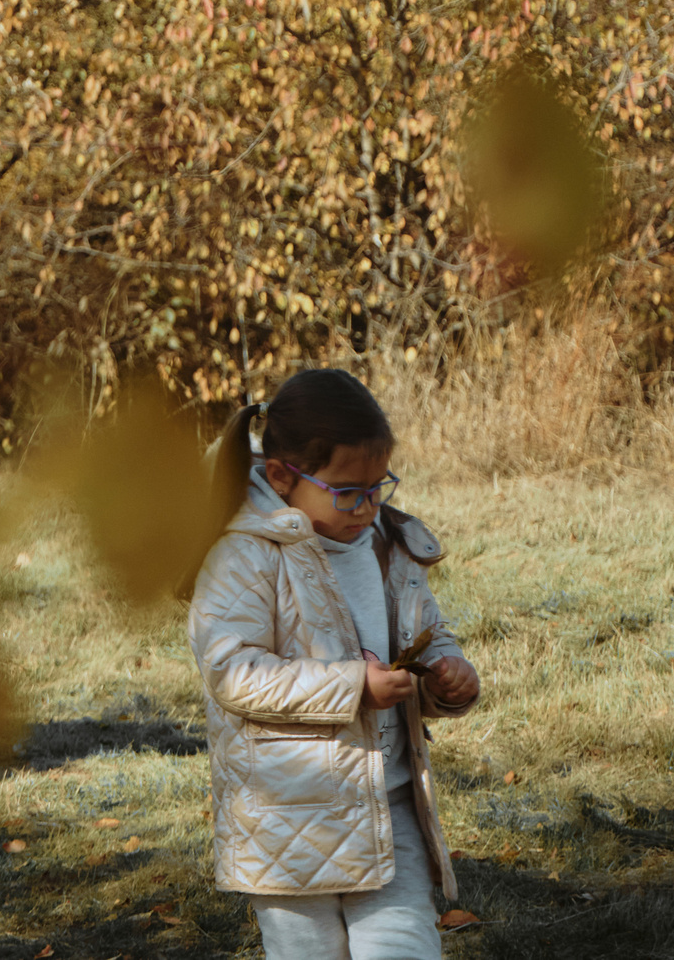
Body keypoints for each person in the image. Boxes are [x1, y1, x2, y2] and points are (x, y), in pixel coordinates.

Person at [186, 368, 484, 960]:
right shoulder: (244, 554)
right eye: (349, 491)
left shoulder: (391, 542)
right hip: (289, 821)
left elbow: (427, 632)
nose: (367, 505)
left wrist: (447, 673)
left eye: (380, 486)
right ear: (281, 476)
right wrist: (352, 686)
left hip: (389, 803)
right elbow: (232, 672)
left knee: (404, 947)